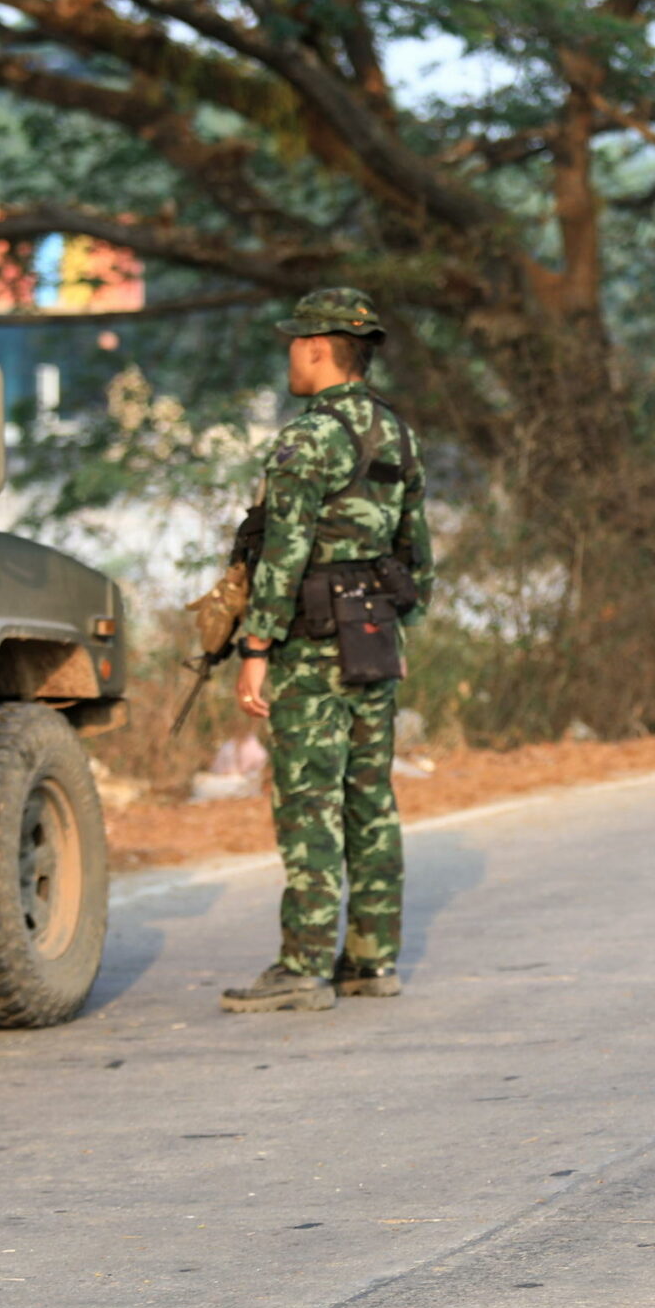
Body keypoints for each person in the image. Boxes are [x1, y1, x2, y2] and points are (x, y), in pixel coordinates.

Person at [221, 288, 433, 1013]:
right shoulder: (399, 436)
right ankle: (373, 962)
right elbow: (418, 554)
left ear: (316, 348)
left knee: (310, 802)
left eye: (294, 344)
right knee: (370, 799)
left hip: (312, 641)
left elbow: (284, 553)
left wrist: (255, 644)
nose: (291, 355)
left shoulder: (307, 438)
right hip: (375, 635)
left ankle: (305, 967)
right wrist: (400, 628)